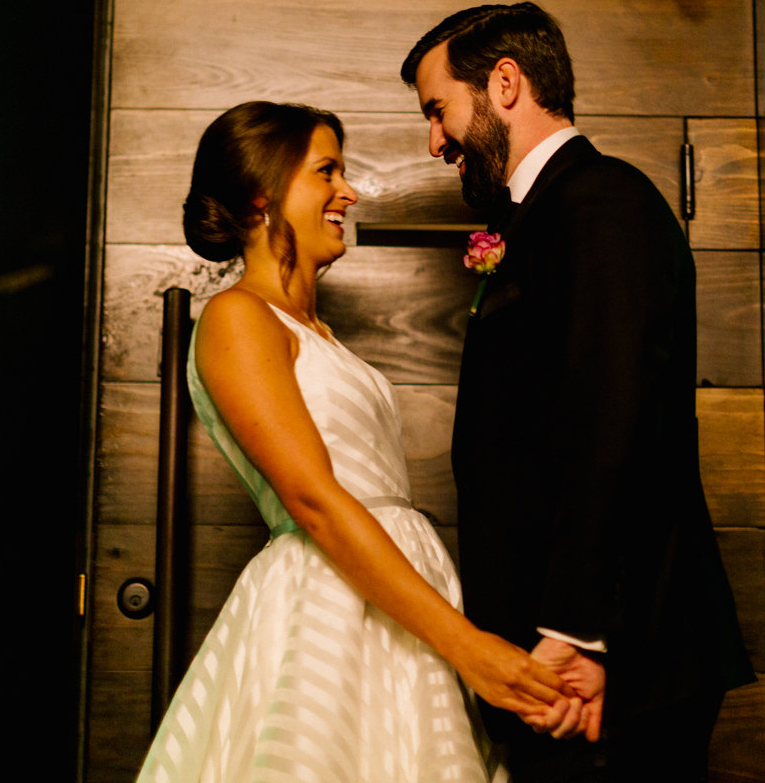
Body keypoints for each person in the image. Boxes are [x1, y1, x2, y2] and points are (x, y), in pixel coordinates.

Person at [136, 101, 580, 783]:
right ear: (263, 196)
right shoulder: (238, 317)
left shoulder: (315, 331)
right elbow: (313, 500)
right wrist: (469, 649)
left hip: (402, 597)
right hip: (328, 604)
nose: (348, 191)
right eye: (327, 172)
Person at [400, 3, 757, 782]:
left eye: (438, 110)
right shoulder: (540, 216)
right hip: (564, 655)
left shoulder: (601, 202)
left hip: (609, 662)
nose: (435, 141)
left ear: (503, 83)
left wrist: (578, 631)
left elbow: (612, 418)